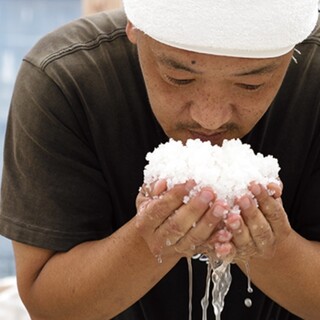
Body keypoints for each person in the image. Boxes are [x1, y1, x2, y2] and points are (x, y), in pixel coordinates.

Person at [0, 0, 319, 319]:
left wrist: (275, 253)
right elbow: (47, 306)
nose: (209, 118)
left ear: (294, 49)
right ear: (134, 28)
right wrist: (148, 243)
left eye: (251, 84)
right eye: (178, 78)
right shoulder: (66, 78)